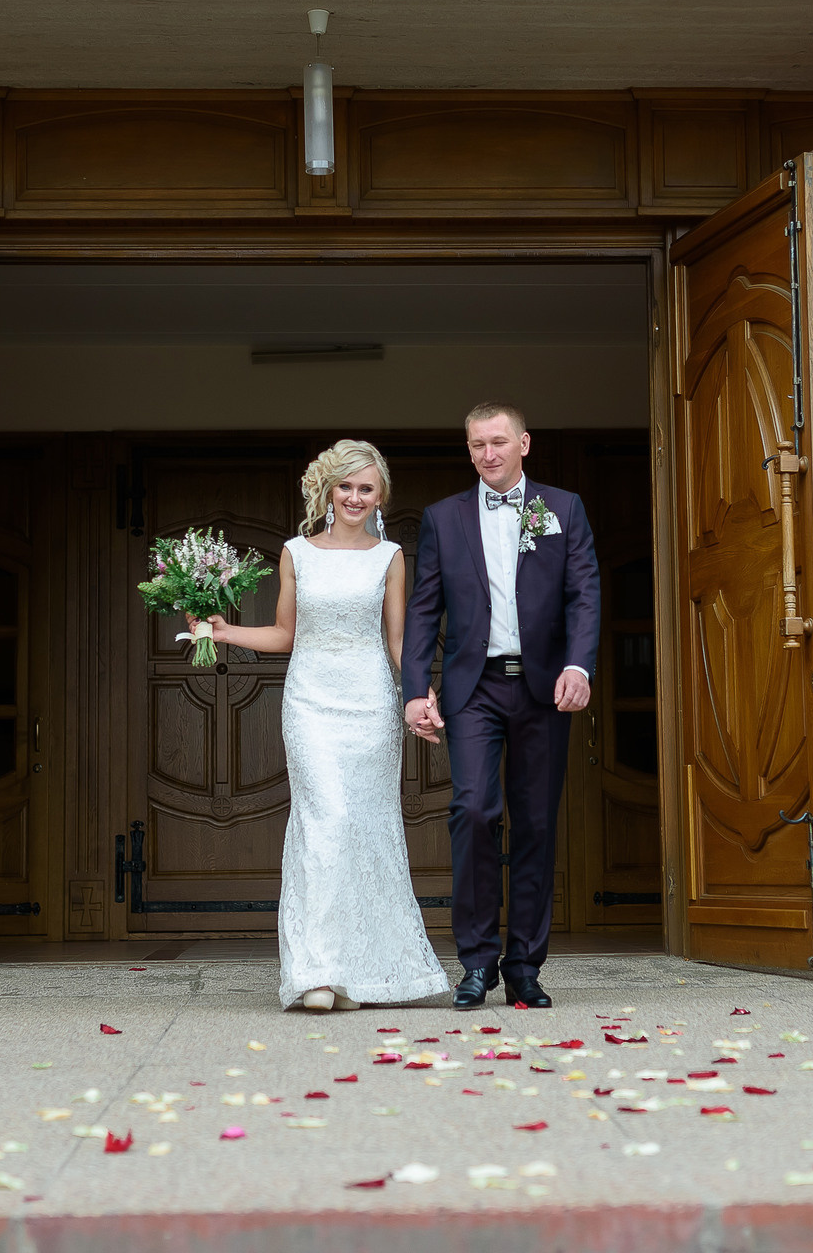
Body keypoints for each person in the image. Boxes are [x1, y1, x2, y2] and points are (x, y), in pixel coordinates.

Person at [189, 441, 449, 1012]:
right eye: (346, 486)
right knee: (324, 821)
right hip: (310, 703)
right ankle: (315, 973)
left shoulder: (390, 557)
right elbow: (285, 635)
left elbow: (398, 640)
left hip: (371, 708)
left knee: (364, 828)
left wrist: (421, 692)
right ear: (328, 490)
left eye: (367, 489)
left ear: (380, 497)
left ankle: (354, 975)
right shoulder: (295, 553)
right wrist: (223, 632)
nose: (355, 498)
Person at [401, 403, 599, 1011]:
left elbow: (584, 593)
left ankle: (524, 967)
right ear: (467, 450)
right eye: (477, 445)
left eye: (499, 443)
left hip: (543, 687)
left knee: (536, 822)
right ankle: (477, 962)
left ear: (524, 443)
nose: (488, 454)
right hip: (473, 690)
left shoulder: (562, 509)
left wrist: (578, 663)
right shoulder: (442, 517)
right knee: (475, 810)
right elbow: (424, 609)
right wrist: (414, 687)